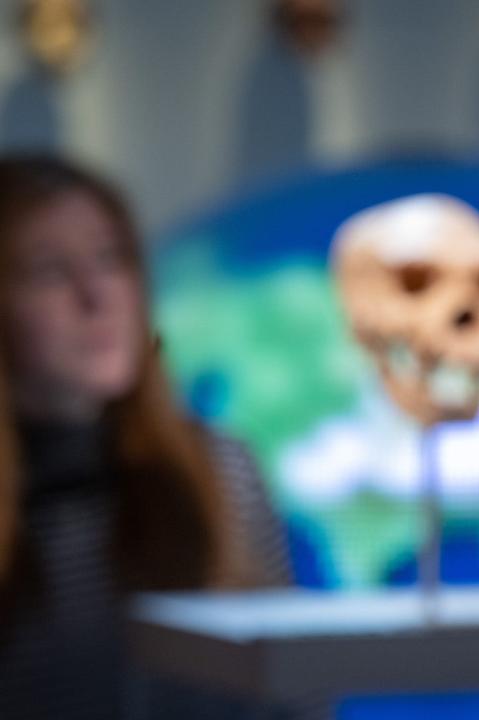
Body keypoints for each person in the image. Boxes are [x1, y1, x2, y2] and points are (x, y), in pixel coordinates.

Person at [0, 154, 290, 719]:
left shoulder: (219, 471)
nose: (95, 297)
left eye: (111, 260)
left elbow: (293, 693)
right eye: (49, 271)